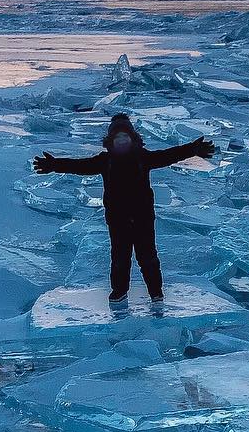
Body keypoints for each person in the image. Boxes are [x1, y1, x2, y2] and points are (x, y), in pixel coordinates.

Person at [32, 113, 216, 303]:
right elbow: (79, 165)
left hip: (143, 216)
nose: (122, 140)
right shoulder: (105, 161)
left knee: (148, 257)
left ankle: (156, 292)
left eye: (125, 137)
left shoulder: (143, 158)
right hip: (117, 218)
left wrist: (193, 149)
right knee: (120, 256)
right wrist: (54, 164)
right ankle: (119, 292)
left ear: (132, 138)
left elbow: (169, 155)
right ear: (111, 140)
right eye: (117, 137)